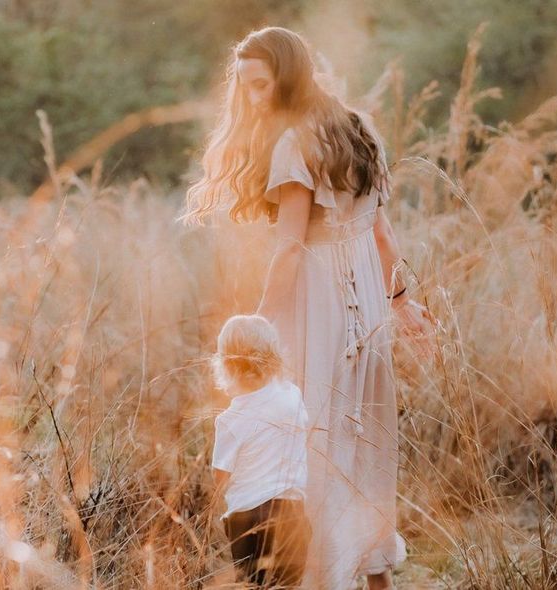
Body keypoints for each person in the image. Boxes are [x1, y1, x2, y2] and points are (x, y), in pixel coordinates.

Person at [185, 26, 436, 590]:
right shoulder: (359, 129)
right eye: (245, 87)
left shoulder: (295, 143)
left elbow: (291, 247)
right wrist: (402, 305)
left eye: (259, 85)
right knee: (364, 437)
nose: (251, 98)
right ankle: (374, 577)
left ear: (289, 78)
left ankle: (324, 577)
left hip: (319, 305)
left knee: (314, 441)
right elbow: (382, 236)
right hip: (366, 307)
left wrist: (260, 325)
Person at [210, 314, 311, 588]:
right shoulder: (292, 397)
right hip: (291, 514)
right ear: (273, 357)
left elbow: (220, 479)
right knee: (287, 585)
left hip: (246, 522)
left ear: (226, 366)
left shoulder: (230, 421)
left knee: (253, 585)